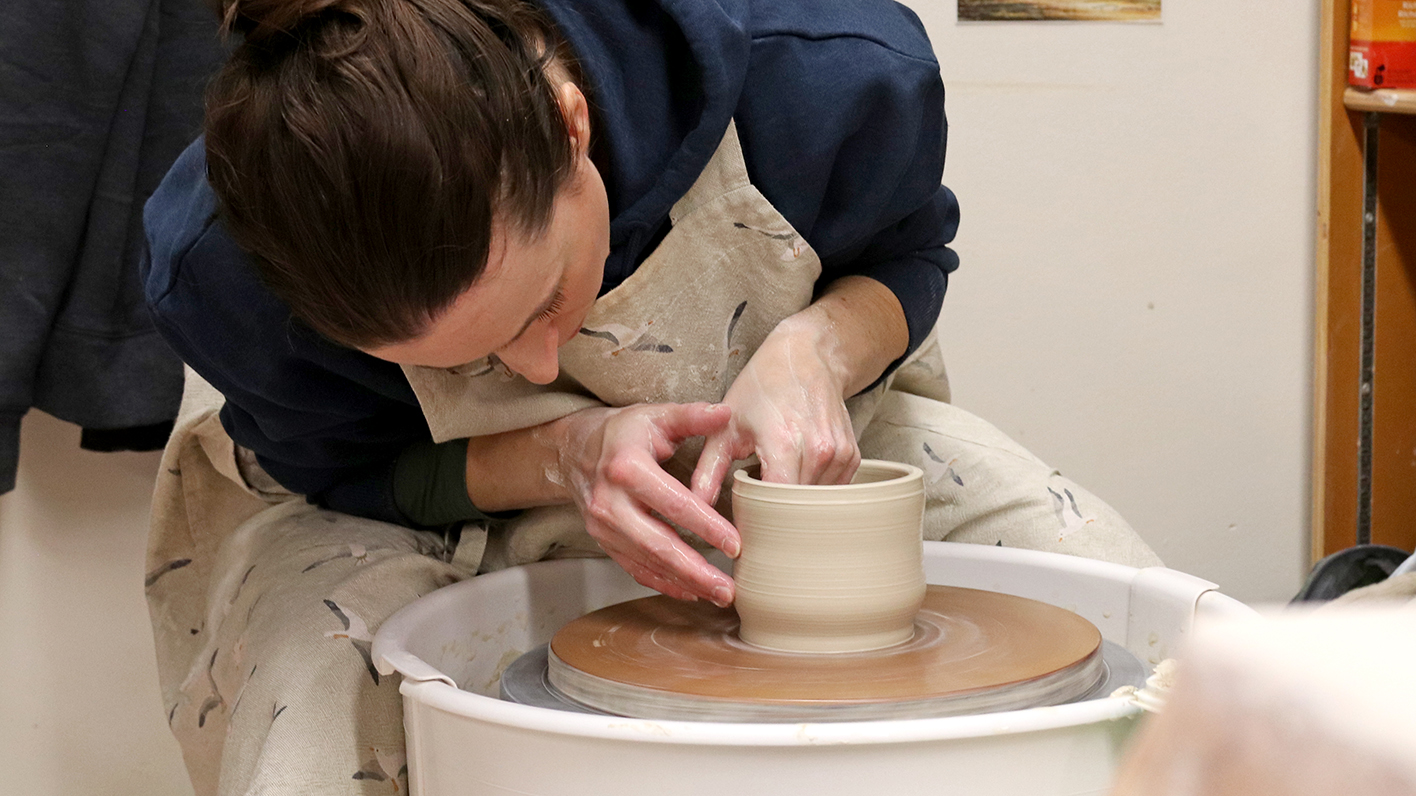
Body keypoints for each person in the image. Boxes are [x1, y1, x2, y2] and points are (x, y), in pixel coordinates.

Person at [141, 0, 1160, 792]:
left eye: (545, 301)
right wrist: (562, 454)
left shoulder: (823, 73)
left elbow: (911, 254)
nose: (535, 367)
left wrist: (816, 349)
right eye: (472, 356)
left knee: (1114, 602)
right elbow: (347, 469)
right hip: (437, 503)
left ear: (571, 124)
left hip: (797, 448)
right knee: (312, 704)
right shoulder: (221, 269)